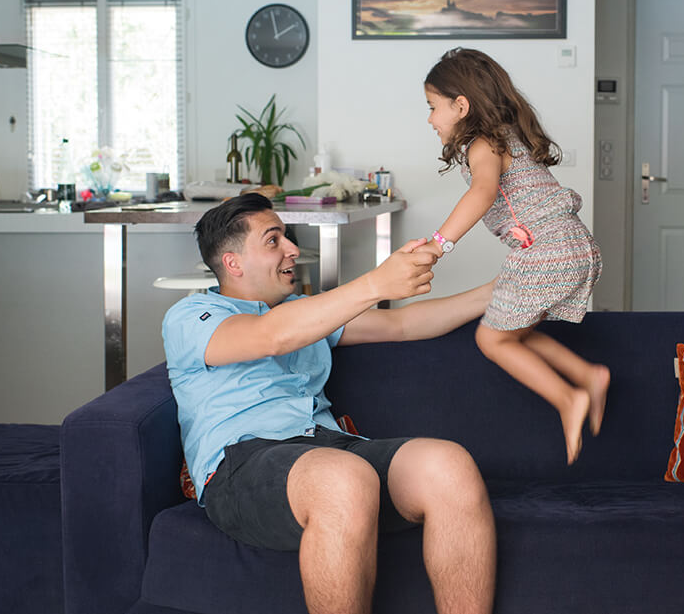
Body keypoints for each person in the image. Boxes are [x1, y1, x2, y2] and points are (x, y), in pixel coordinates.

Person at [161, 193, 496, 614]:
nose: (292, 249)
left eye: (287, 236)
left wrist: (501, 290)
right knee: (343, 478)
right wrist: (376, 283)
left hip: (330, 448)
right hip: (241, 462)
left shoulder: (306, 312)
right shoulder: (192, 316)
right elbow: (271, 336)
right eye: (273, 240)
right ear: (233, 263)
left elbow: (404, 325)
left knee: (449, 466)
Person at [421, 47, 610, 465]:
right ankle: (588, 375)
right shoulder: (508, 136)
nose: (430, 119)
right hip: (574, 245)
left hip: (548, 252)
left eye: (433, 107)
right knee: (514, 333)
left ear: (461, 105)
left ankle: (567, 398)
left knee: (490, 339)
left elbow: (482, 192)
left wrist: (439, 244)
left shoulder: (483, 144)